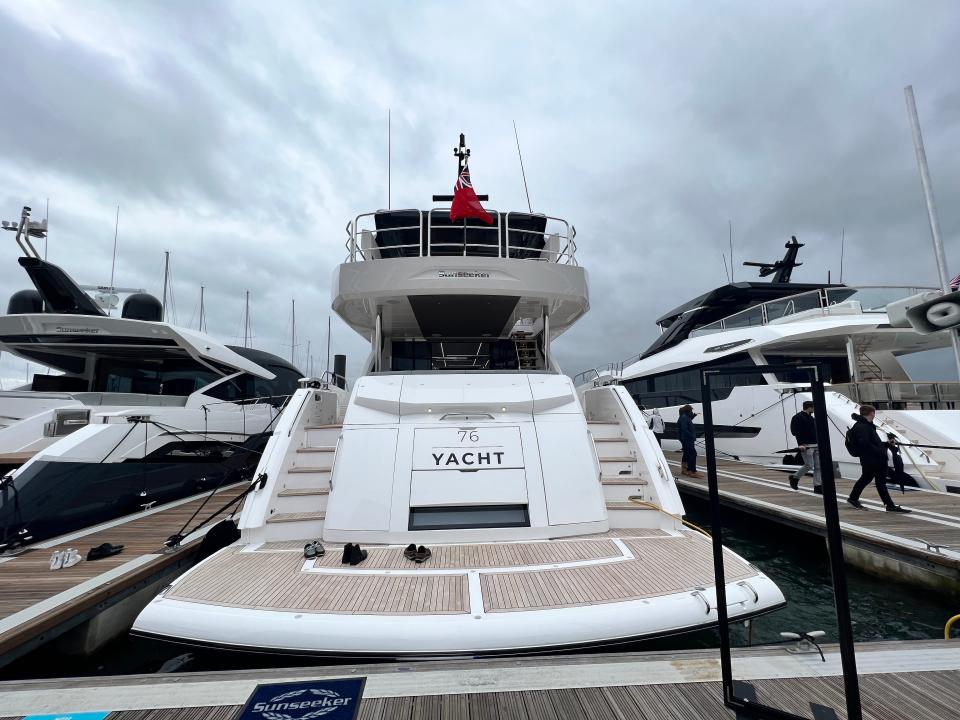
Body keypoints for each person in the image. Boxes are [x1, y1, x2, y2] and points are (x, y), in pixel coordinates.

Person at [846, 405, 910, 513]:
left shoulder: (865, 425)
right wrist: (880, 450)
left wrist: (886, 444)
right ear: (872, 413)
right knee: (878, 482)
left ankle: (853, 498)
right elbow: (865, 444)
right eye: (874, 413)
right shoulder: (863, 427)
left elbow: (872, 443)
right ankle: (889, 506)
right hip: (873, 460)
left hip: (871, 459)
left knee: (867, 479)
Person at [788, 401, 822, 494]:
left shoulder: (811, 418)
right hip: (806, 445)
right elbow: (795, 432)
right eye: (813, 407)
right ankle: (795, 477)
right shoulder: (797, 417)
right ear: (809, 407)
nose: (814, 410)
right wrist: (801, 444)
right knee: (809, 465)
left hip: (816, 444)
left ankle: (818, 486)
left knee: (819, 466)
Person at [678, 405, 701, 478]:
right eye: (691, 411)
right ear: (688, 411)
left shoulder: (685, 417)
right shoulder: (684, 417)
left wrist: (693, 416)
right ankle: (692, 471)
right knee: (693, 454)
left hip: (686, 438)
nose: (692, 412)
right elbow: (684, 429)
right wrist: (691, 435)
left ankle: (685, 470)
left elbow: (688, 421)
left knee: (687, 453)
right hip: (687, 439)